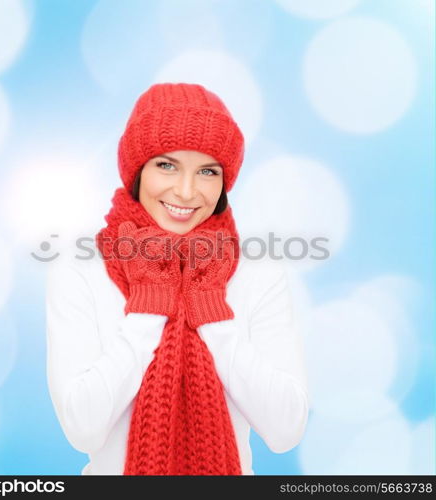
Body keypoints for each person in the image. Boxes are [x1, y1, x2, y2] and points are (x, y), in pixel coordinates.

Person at [45, 82, 310, 475]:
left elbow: (285, 430)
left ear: (224, 182)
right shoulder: (81, 267)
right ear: (136, 170)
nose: (185, 191)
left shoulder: (257, 271)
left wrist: (213, 316)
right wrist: (149, 306)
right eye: (166, 165)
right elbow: (83, 430)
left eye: (207, 171)